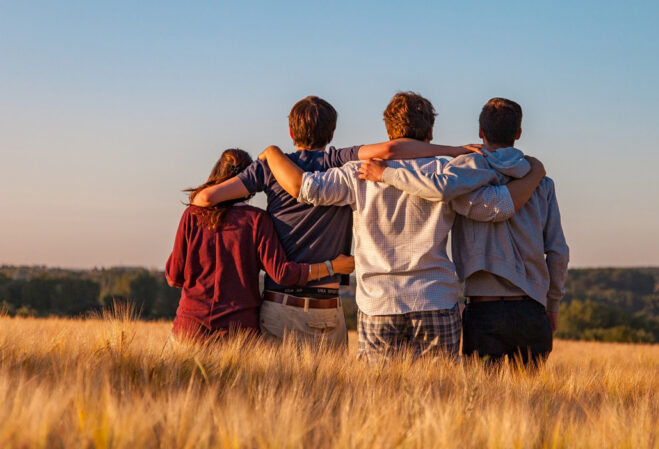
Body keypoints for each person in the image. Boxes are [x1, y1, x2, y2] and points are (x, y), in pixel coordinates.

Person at [258, 92, 546, 361]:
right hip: (435, 298)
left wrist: (272, 153)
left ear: (388, 132)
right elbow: (496, 207)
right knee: (440, 398)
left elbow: (306, 189)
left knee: (379, 399)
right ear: (430, 132)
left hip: (378, 303)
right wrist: (534, 174)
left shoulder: (356, 173)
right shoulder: (447, 173)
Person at [190, 96, 477, 348]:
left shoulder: (270, 167)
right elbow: (391, 151)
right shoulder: (340, 161)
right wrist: (455, 151)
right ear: (332, 132)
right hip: (328, 306)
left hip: (280, 305)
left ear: (291, 131)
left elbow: (204, 199)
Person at [358, 97, 569, 366]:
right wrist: (552, 304)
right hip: (532, 309)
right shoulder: (541, 182)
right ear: (518, 133)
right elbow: (558, 252)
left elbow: (440, 189)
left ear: (481, 132)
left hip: (484, 309)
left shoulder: (462, 175)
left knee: (481, 402)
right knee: (530, 404)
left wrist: (387, 174)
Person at [165, 148, 354, 342]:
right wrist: (332, 266)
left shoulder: (192, 216)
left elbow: (174, 277)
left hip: (189, 329)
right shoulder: (257, 220)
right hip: (238, 333)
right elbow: (282, 274)